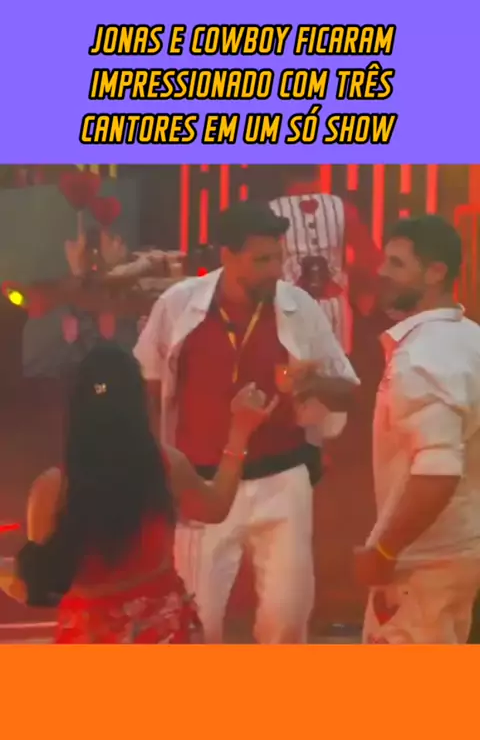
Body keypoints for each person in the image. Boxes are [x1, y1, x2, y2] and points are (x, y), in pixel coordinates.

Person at [134, 200, 360, 644]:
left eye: (278, 257)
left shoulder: (299, 307)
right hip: (202, 482)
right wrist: (158, 466)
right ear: (227, 255)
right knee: (199, 621)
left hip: (283, 478)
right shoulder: (178, 305)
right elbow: (149, 382)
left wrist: (311, 382)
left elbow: (348, 390)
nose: (275, 270)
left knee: (287, 619)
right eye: (261, 260)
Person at [5, 343, 277, 644]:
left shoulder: (51, 489)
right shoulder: (166, 466)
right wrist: (239, 432)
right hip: (162, 631)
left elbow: (35, 585)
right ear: (137, 404)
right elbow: (216, 507)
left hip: (89, 637)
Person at [354, 215, 480, 644]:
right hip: (455, 552)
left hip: (423, 565)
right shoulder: (469, 339)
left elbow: (437, 474)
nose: (381, 272)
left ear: (435, 272)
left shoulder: (423, 357)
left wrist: (384, 551)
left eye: (396, 264)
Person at [269, 180, 382, 355]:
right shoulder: (341, 207)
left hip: (289, 304)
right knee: (337, 367)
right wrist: (362, 300)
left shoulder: (271, 211)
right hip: (334, 305)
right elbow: (368, 259)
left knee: (293, 366)